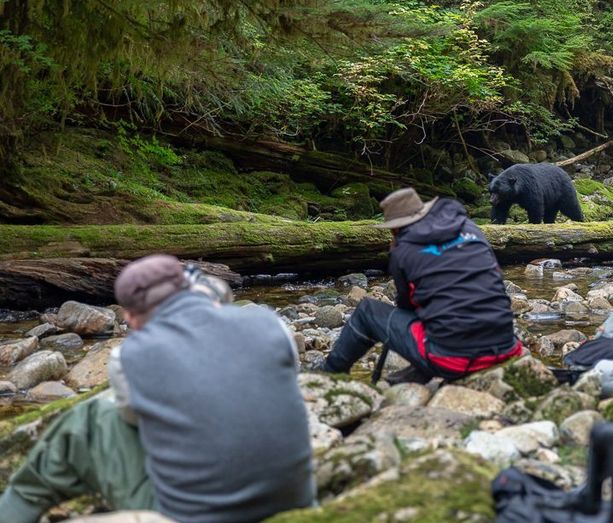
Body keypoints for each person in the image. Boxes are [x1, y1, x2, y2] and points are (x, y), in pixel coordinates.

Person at [0, 255, 315, 523]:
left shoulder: (130, 358)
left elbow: (135, 424)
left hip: (189, 515)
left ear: (132, 318)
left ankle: (15, 509)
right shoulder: (269, 323)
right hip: (296, 502)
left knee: (94, 420)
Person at [324, 187, 522, 379]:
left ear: (396, 228)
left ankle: (330, 374)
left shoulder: (403, 251)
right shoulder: (469, 228)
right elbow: (494, 276)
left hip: (453, 359)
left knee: (367, 311)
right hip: (506, 345)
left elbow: (408, 307)